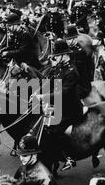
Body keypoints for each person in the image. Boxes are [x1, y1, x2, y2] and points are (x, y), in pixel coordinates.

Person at [35, 39, 88, 171]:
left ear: (65, 55)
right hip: (60, 104)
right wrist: (38, 91)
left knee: (54, 129)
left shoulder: (71, 71)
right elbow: (51, 83)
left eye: (57, 55)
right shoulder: (60, 67)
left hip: (71, 108)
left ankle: (68, 157)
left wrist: (43, 97)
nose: (55, 58)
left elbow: (62, 93)